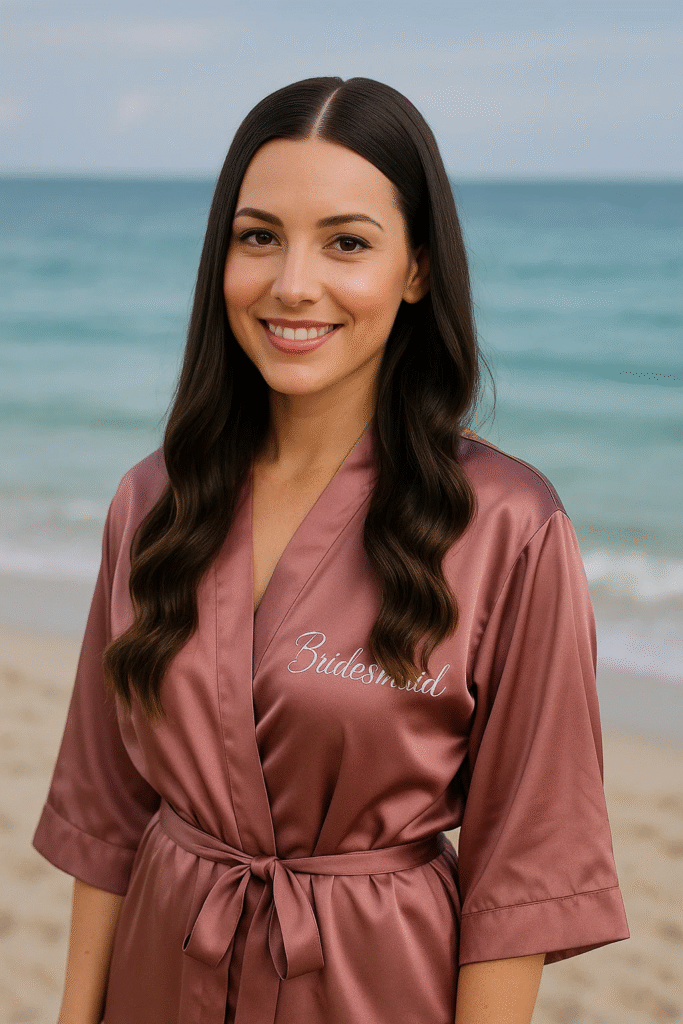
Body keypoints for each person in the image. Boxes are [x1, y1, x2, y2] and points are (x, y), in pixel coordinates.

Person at [33, 76, 629, 1024]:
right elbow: (107, 817)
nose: (292, 283)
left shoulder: (507, 525)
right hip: (160, 972)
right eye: (258, 236)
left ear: (416, 270)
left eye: (346, 242)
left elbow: (520, 873)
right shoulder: (152, 502)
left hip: (372, 987)